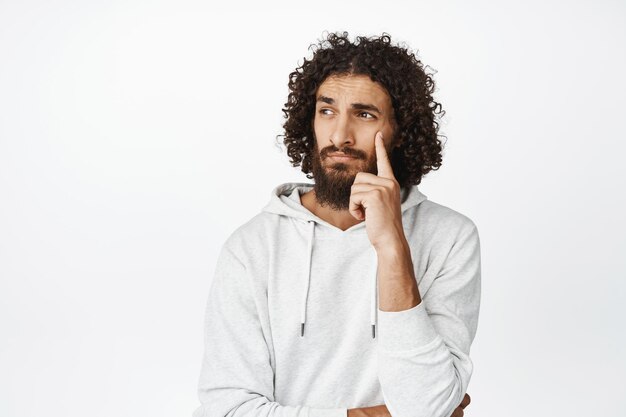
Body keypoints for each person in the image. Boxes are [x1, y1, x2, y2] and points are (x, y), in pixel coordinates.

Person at [192, 31, 481, 417]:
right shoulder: (253, 247)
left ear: (400, 130)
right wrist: (367, 416)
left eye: (364, 114)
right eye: (326, 111)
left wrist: (393, 248)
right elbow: (225, 410)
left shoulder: (449, 238)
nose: (339, 136)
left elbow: (425, 403)